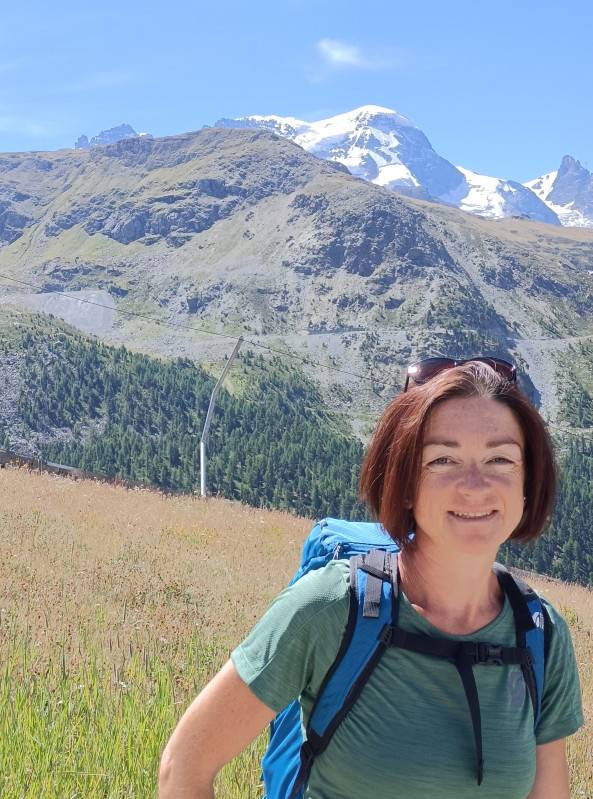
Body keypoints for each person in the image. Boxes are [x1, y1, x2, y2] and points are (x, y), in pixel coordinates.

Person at [159, 357, 584, 799]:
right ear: (403, 482)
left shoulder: (540, 634)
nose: (475, 485)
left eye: (500, 458)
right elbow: (184, 765)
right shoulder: (329, 608)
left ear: (528, 482)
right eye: (443, 459)